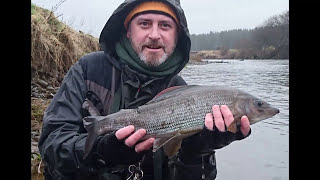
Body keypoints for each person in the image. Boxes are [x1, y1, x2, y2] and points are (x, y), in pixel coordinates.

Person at [38, 0, 251, 179]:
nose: (155, 35)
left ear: (177, 36)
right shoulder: (88, 70)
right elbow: (50, 145)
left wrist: (198, 152)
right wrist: (101, 151)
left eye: (165, 26)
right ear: (128, 31)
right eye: (145, 23)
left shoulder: (182, 91)